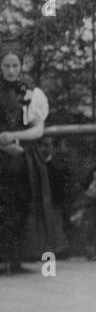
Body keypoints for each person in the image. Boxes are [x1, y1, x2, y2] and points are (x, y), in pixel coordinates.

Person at [0, 44, 66, 271]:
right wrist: (3, 143)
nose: (10, 71)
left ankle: (15, 258)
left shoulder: (29, 93)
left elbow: (38, 129)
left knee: (21, 203)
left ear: (21, 66)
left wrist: (14, 136)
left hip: (23, 157)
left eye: (14, 65)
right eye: (6, 65)